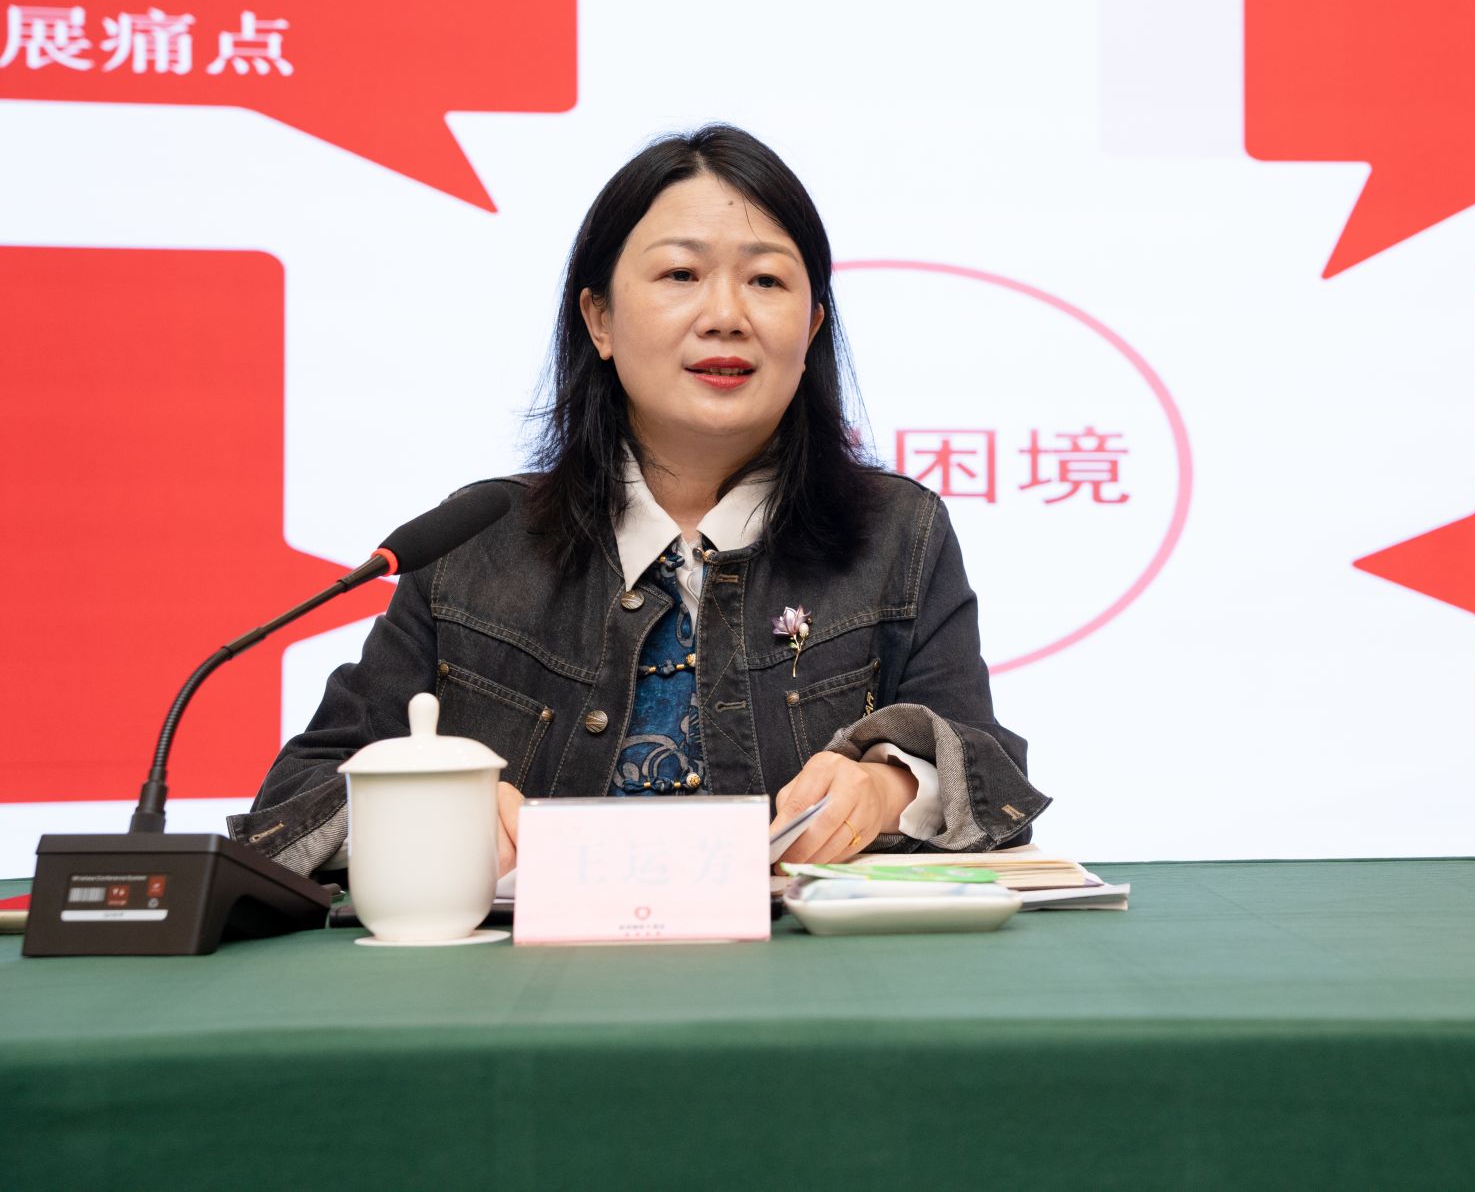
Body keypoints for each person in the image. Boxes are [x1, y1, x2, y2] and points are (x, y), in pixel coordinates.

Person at [230, 126, 1047, 877]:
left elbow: (993, 780)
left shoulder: (897, 536)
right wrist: (427, 813)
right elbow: (290, 805)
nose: (725, 316)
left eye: (766, 280)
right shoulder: (473, 547)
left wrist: (890, 787)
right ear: (600, 319)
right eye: (681, 275)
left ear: (811, 327)